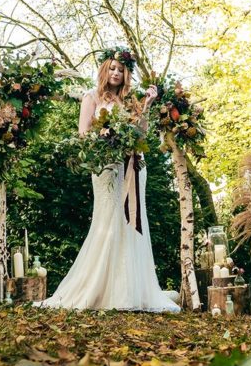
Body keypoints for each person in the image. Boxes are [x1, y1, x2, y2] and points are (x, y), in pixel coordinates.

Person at [37, 49, 180, 312]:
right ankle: (100, 289)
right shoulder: (91, 97)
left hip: (133, 166)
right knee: (109, 222)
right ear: (105, 70)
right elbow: (83, 134)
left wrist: (146, 105)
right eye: (112, 68)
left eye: (121, 69)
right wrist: (105, 138)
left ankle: (130, 292)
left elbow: (142, 132)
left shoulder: (131, 100)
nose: (116, 73)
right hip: (105, 167)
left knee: (132, 221)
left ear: (126, 74)